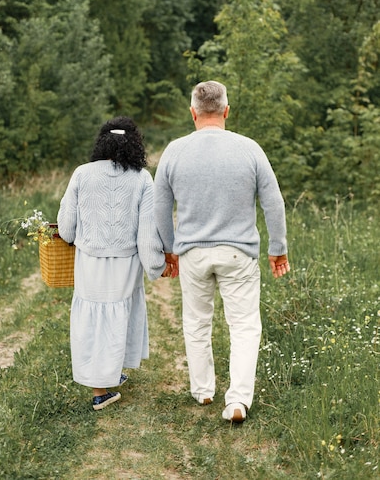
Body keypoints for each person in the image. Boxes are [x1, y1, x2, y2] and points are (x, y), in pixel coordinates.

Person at [154, 81, 289, 423]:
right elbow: (273, 202)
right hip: (238, 253)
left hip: (193, 254)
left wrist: (169, 250)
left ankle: (203, 391)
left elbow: (159, 206)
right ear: (227, 111)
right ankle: (238, 401)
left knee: (197, 322)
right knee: (243, 325)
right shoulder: (249, 149)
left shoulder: (174, 151)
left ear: (193, 112)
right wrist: (278, 249)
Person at [57, 116, 170, 411]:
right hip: (125, 264)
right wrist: (157, 266)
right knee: (119, 316)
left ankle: (104, 380)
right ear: (134, 143)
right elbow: (147, 235)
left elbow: (66, 228)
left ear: (102, 142)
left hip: (89, 263)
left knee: (92, 318)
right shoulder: (142, 178)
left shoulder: (81, 174)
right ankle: (100, 391)